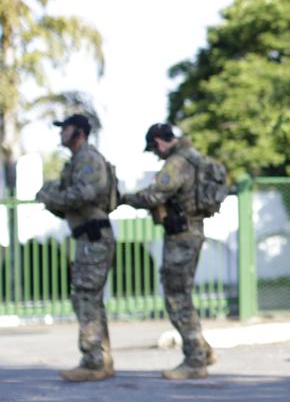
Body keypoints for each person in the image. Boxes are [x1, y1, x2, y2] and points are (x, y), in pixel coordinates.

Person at [120, 123, 216, 379]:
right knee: (182, 294)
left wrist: (124, 198)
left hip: (181, 235)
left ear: (161, 142)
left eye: (154, 148)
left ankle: (195, 360)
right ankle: (203, 351)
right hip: (192, 230)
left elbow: (154, 196)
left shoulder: (176, 163)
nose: (155, 154)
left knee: (176, 297)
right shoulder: (195, 157)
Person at [36, 114, 118, 382]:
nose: (62, 133)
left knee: (85, 296)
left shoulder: (88, 159)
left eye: (66, 128)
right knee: (89, 297)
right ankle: (99, 358)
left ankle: (94, 361)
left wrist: (52, 197)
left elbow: (86, 194)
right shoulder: (77, 160)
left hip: (93, 237)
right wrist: (52, 196)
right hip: (87, 237)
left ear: (79, 132)